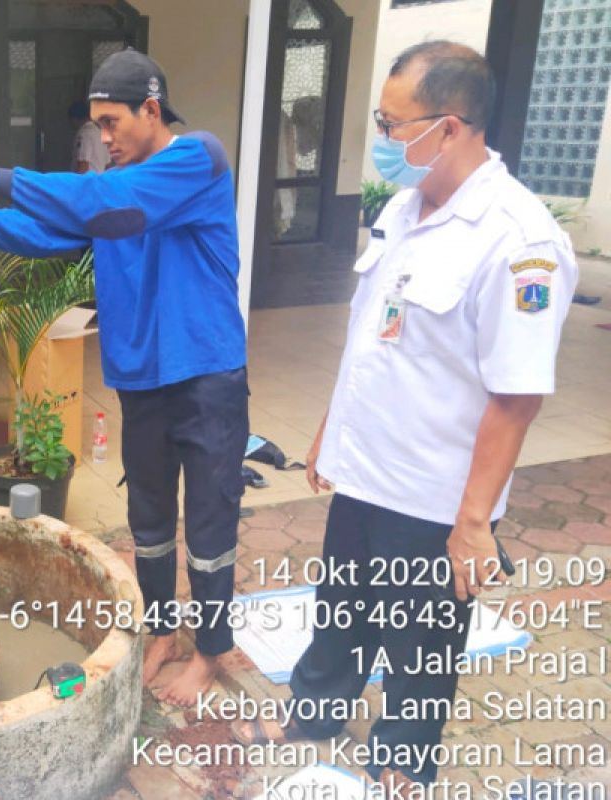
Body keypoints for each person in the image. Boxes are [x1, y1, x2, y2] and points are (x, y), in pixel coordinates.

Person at [231, 42, 577, 791]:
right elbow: (371, 334)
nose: (384, 140)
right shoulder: (402, 208)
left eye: (394, 125)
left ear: (451, 128)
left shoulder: (519, 243)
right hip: (368, 468)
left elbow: (516, 395)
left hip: (436, 491)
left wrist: (475, 522)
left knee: (421, 635)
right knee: (342, 605)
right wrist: (330, 432)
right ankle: (316, 710)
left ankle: (403, 755)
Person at [0, 49, 248, 707]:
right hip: (141, 379)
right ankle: (162, 633)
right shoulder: (113, 196)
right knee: (148, 517)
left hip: (207, 380)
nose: (106, 137)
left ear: (153, 109)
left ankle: (209, 651)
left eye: (114, 122)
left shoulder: (197, 159)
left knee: (209, 524)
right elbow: (48, 233)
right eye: (98, 125)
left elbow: (109, 203)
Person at [69, 100, 112, 174]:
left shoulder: (85, 133)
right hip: (100, 181)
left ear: (74, 119)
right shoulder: (100, 132)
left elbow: (83, 165)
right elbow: (107, 165)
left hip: (88, 182)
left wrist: (79, 184)